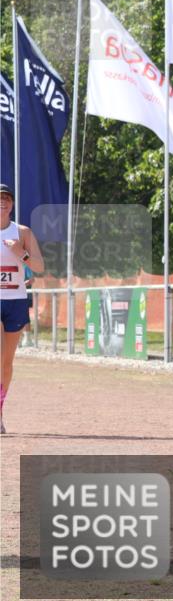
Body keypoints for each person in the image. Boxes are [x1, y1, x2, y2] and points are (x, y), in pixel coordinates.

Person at [0, 183, 44, 434]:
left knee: (6, 363)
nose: (2, 201)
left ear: (12, 204)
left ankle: (0, 410)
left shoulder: (23, 232)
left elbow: (39, 267)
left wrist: (21, 253)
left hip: (16, 300)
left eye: (6, 198)